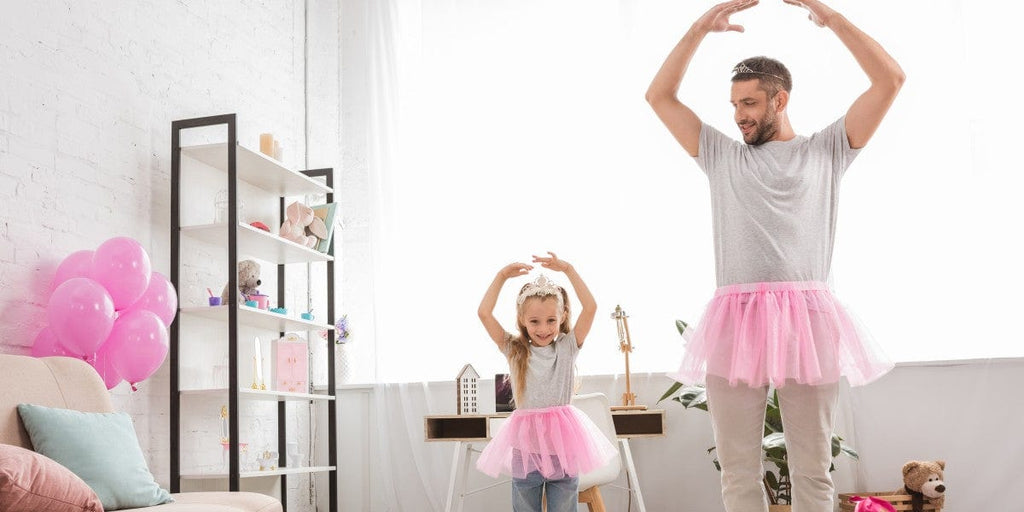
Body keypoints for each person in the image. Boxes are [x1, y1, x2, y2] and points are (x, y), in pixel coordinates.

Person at [645, 1, 904, 511]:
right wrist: (701, 27)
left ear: (779, 99)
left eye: (748, 104)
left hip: (806, 322)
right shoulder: (721, 156)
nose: (738, 116)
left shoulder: (827, 150)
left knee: (813, 469)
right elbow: (660, 95)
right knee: (738, 472)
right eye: (734, 105)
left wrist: (831, 19)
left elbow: (890, 80)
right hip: (734, 322)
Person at [475, 252, 617, 512]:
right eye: (535, 321)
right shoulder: (516, 350)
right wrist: (502, 276)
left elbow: (591, 308)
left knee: (564, 507)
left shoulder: (567, 347)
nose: (543, 328)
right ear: (523, 321)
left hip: (562, 450)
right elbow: (484, 313)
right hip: (526, 450)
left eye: (551, 320)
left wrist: (569, 269)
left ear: (562, 316)